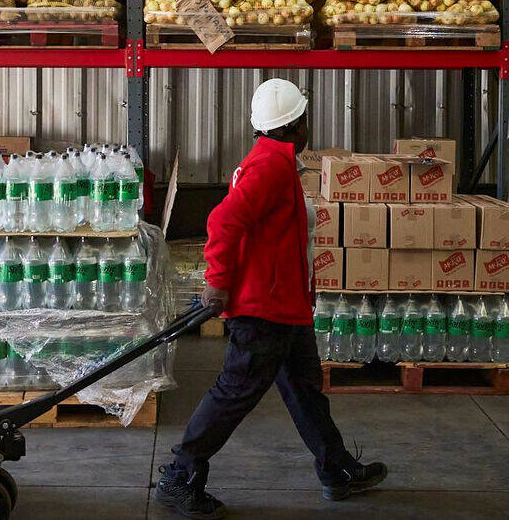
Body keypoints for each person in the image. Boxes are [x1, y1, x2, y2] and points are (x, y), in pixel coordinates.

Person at [156, 79, 386, 518]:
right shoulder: (269, 167)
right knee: (234, 393)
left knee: (306, 392)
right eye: (305, 120)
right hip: (264, 309)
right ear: (295, 126)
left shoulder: (275, 161)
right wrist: (217, 281)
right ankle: (179, 476)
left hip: (287, 306)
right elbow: (223, 222)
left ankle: (336, 469)